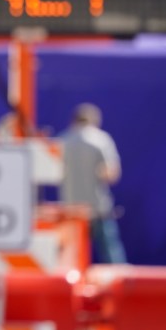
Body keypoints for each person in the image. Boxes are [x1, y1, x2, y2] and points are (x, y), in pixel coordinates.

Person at [60, 102, 126, 264]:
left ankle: (65, 287)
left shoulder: (62, 141)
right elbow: (112, 173)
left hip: (71, 208)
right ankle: (120, 285)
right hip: (97, 207)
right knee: (111, 253)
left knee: (69, 256)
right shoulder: (101, 140)